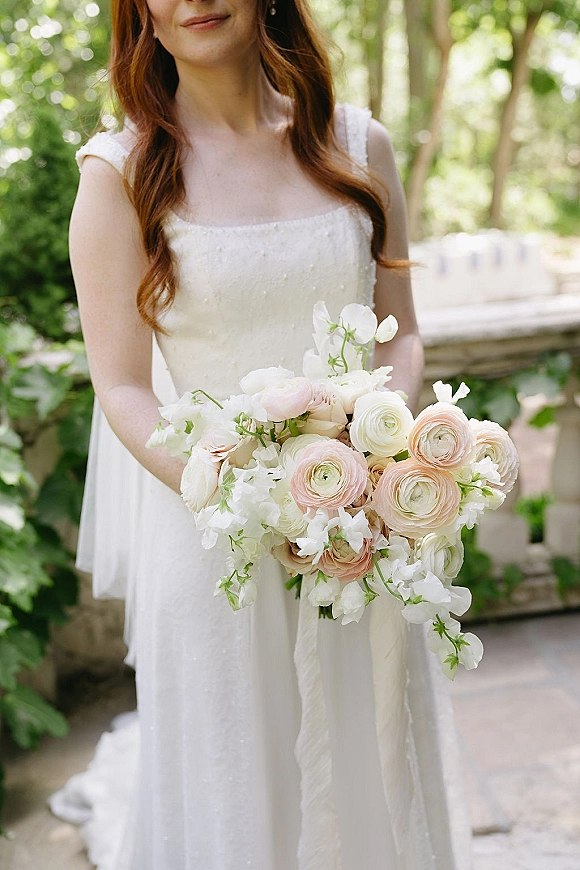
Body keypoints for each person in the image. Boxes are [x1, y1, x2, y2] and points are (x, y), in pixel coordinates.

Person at [63, 0, 473, 866]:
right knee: (237, 795)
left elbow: (401, 334)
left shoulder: (360, 146)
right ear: (139, 13)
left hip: (363, 535)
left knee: (373, 768)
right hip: (215, 545)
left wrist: (379, 467)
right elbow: (126, 387)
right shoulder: (120, 173)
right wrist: (240, 495)